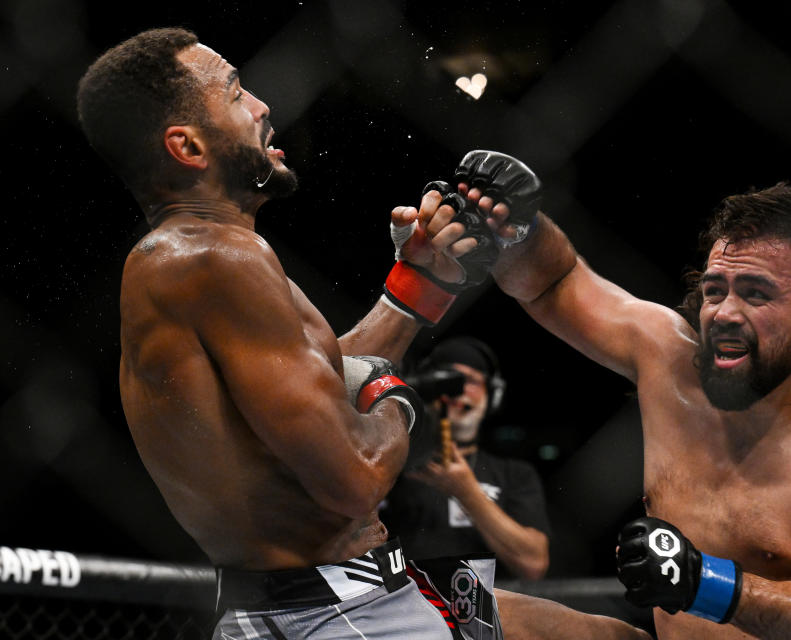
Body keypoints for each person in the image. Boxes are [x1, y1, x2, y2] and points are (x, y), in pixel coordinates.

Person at [76, 30, 649, 640]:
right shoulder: (209, 258)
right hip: (333, 614)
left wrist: (423, 281)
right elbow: (356, 477)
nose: (263, 106)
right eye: (236, 92)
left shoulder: (200, 257)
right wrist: (395, 396)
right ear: (187, 146)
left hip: (353, 594)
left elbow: (318, 384)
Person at [414, 151, 791, 639]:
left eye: (756, 293)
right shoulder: (668, 361)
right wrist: (514, 229)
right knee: (464, 608)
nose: (724, 312)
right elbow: (558, 281)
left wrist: (708, 586)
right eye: (715, 289)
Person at [381, 337, 551, 580]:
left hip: (488, 610)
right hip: (403, 607)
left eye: (470, 381)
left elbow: (533, 564)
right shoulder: (390, 462)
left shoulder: (514, 474)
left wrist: (466, 491)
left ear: (492, 395)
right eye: (446, 379)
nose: (456, 391)